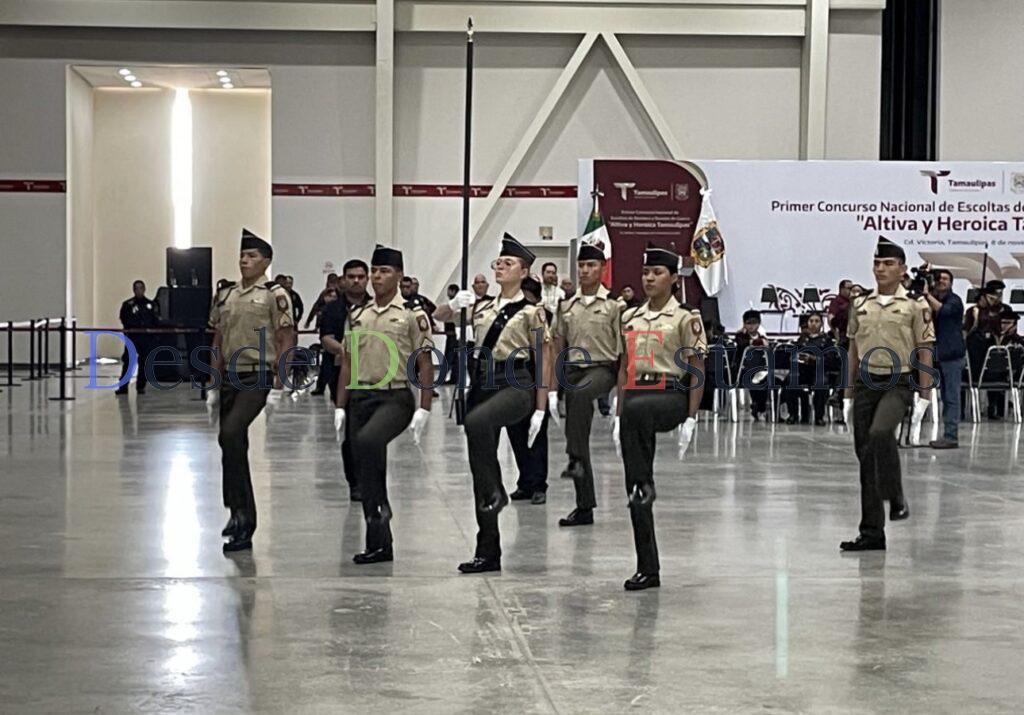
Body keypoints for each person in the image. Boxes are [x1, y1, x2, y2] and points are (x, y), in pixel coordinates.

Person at [448, 233, 553, 574]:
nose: (500, 267)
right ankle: (488, 551)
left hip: (515, 384)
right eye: (498, 262)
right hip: (482, 384)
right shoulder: (481, 307)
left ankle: (500, 492)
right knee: (480, 470)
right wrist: (453, 305)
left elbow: (544, 358)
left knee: (477, 423)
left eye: (508, 263)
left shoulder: (532, 312)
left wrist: (541, 406)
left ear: (523, 272)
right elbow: (438, 317)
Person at [613, 243, 706, 590]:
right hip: (637, 397)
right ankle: (647, 567)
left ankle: (644, 483)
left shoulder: (685, 317)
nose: (649, 278)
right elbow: (624, 367)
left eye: (657, 273)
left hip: (671, 394)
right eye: (646, 272)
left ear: (672, 279)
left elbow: (697, 367)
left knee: (637, 411)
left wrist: (692, 417)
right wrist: (618, 411)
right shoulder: (631, 317)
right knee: (634, 487)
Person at [333, 245, 434, 564]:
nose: (377, 277)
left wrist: (425, 407)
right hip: (361, 396)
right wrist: (339, 405)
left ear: (399, 275)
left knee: (368, 442)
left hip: (395, 396)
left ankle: (382, 515)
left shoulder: (412, 315)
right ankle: (379, 540)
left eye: (384, 271)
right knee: (365, 465)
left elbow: (425, 363)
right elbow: (348, 362)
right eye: (374, 271)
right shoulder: (357, 315)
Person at [840, 236, 934, 552]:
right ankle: (871, 533)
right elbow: (853, 348)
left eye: (889, 264)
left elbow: (924, 349)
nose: (881, 269)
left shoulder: (915, 306)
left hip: (899, 382)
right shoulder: (860, 304)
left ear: (903, 269)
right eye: (878, 263)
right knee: (865, 457)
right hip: (868, 382)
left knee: (882, 433)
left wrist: (924, 393)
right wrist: (848, 392)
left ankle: (895, 496)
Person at [206, 229, 295, 553]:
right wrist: (213, 385)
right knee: (230, 442)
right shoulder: (226, 295)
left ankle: (246, 519)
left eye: (253, 256)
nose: (245, 260)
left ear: (266, 261)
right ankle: (235, 509)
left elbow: (287, 338)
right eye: (243, 255)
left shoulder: (275, 295)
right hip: (230, 375)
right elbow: (217, 339)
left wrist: (279, 384)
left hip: (258, 375)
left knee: (230, 433)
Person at [550, 241, 621, 527]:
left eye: (591, 265)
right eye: (581, 265)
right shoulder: (567, 305)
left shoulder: (615, 305)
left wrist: (622, 394)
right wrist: (553, 389)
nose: (585, 270)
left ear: (602, 269)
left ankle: (574, 457)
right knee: (576, 422)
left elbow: (624, 350)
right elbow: (557, 346)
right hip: (574, 370)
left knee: (578, 400)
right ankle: (584, 505)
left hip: (603, 369)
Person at [320, 259, 372, 500]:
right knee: (351, 430)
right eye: (351, 276)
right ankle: (356, 482)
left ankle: (372, 478)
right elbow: (326, 338)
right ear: (343, 279)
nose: (356, 281)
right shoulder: (333, 309)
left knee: (372, 431)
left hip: (374, 374)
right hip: (342, 373)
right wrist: (345, 350)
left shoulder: (376, 306)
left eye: (361, 276)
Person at [506, 275, 552, 505]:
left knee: (537, 436)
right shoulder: (510, 313)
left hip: (534, 379)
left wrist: (546, 393)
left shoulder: (540, 315)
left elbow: (545, 355)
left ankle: (538, 485)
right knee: (515, 432)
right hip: (514, 380)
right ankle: (524, 481)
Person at [923, 269, 965, 449]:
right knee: (942, 396)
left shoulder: (954, 301)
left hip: (952, 355)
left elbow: (943, 311)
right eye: (939, 278)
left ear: (952, 282)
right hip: (936, 354)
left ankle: (951, 436)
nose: (941, 281)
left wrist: (926, 294)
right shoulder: (930, 299)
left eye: (946, 279)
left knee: (951, 397)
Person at [782, 311, 834, 426]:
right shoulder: (802, 339)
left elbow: (830, 360)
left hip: (818, 371)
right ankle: (793, 414)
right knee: (790, 380)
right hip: (802, 370)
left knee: (822, 383)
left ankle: (819, 416)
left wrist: (813, 358)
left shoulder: (827, 340)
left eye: (817, 321)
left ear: (821, 324)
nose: (814, 324)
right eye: (811, 321)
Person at [964, 280, 1006, 419]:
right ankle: (964, 409)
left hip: (992, 346)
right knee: (968, 372)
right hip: (975, 347)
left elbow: (1000, 330)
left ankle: (993, 408)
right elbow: (967, 331)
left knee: (996, 371)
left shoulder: (999, 311)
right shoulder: (972, 311)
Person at [115, 280, 160, 395]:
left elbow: (155, 320)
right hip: (133, 337)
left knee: (144, 362)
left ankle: (141, 386)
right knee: (128, 362)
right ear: (133, 290)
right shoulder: (128, 304)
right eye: (136, 288)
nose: (139, 290)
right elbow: (124, 319)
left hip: (146, 338)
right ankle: (123, 387)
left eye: (141, 288)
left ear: (144, 289)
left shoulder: (150, 305)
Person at [733, 310, 770, 421]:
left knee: (765, 380)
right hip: (743, 371)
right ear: (744, 324)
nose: (751, 326)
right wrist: (756, 343)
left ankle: (760, 407)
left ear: (759, 324)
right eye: (748, 323)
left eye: (754, 323)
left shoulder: (763, 336)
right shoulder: (740, 336)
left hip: (761, 370)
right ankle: (757, 406)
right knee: (754, 379)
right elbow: (743, 344)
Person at [309, 287, 339, 396]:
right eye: (330, 296)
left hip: (337, 340)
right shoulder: (323, 309)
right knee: (326, 365)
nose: (332, 299)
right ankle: (321, 387)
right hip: (326, 340)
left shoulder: (338, 309)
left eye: (334, 297)